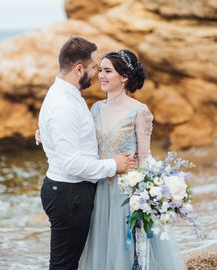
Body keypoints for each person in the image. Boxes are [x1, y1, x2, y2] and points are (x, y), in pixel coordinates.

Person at [78, 50, 187, 270]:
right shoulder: (96, 108)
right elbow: (81, 141)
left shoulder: (140, 111)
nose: (101, 76)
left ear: (124, 76)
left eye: (108, 71)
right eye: (100, 70)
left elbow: (145, 157)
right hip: (99, 190)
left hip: (126, 195)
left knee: (129, 254)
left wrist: (151, 196)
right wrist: (45, 132)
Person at [38, 37, 136, 270]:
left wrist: (44, 132)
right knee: (65, 265)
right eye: (94, 68)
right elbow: (72, 163)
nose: (96, 74)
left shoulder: (66, 95)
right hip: (69, 194)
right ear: (78, 68)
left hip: (70, 191)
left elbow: (70, 137)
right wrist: (114, 165)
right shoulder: (64, 105)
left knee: (72, 262)